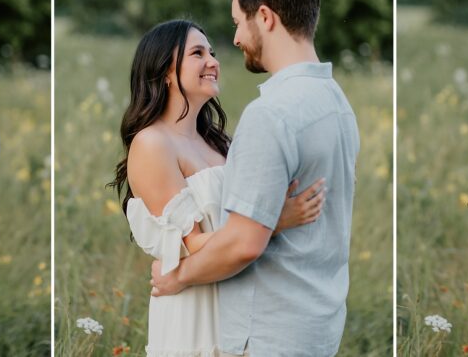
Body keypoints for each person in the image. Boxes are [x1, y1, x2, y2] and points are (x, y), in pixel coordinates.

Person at [151, 0, 360, 356]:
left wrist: (178, 277)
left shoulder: (271, 113)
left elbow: (244, 244)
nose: (234, 39)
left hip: (269, 330)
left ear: (264, 17)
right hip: (318, 323)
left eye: (237, 22)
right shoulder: (336, 103)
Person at [109, 19, 325, 356]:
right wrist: (273, 221)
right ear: (166, 71)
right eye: (198, 53)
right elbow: (191, 243)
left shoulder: (219, 142)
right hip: (195, 309)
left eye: (211, 51)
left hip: (238, 299)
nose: (213, 61)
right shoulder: (152, 144)